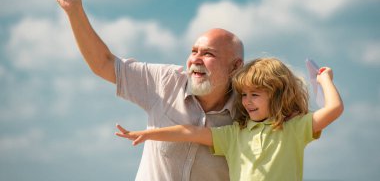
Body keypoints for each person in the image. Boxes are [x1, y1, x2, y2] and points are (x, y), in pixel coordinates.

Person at [51, 0, 244, 181]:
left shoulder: (250, 111)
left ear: (235, 66)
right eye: (193, 51)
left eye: (208, 54)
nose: (195, 59)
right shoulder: (166, 80)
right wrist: (74, 10)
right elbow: (104, 64)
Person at [115, 57, 344, 181]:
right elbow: (191, 132)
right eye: (244, 95)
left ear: (277, 95)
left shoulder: (294, 128)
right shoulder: (235, 134)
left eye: (255, 94)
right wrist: (148, 134)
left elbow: (334, 108)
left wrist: (325, 80)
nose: (247, 101)